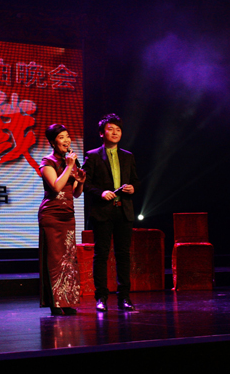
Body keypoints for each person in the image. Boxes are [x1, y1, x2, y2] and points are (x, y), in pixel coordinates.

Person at [83, 113, 140, 312]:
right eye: (110, 129)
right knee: (101, 255)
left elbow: (136, 180)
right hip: (102, 212)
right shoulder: (92, 156)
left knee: (123, 255)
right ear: (102, 133)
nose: (115, 132)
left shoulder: (128, 156)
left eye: (118, 129)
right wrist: (101, 193)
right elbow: (85, 184)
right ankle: (101, 298)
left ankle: (124, 297)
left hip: (124, 211)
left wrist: (133, 188)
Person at [38, 124, 85, 316]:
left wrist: (80, 182)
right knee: (55, 259)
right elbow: (56, 187)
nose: (66, 140)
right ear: (52, 142)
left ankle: (67, 301)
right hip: (51, 215)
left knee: (68, 259)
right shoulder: (47, 162)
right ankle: (55, 303)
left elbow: (75, 193)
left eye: (67, 136)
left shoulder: (70, 162)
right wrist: (70, 166)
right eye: (61, 137)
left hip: (68, 215)